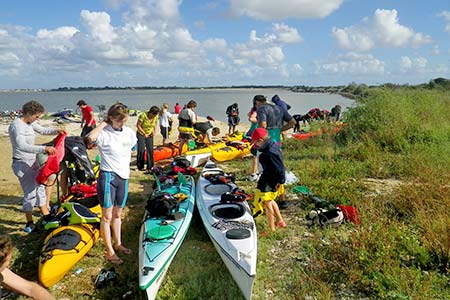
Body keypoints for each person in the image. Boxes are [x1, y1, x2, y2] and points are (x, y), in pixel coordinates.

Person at [87, 102, 137, 265]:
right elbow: (90, 139)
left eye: (124, 120)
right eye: (119, 121)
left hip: (124, 177)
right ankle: (109, 251)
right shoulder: (103, 133)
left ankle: (119, 243)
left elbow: (133, 147)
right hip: (108, 177)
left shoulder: (128, 132)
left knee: (117, 214)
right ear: (111, 118)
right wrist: (104, 123)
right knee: (107, 216)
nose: (123, 123)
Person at [8, 100, 65, 233]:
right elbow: (22, 146)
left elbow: (43, 130)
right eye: (36, 116)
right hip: (21, 163)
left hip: (32, 162)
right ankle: (29, 223)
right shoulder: (17, 126)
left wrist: (56, 131)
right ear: (28, 113)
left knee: (40, 187)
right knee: (30, 193)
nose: (37, 119)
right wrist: (44, 148)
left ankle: (46, 216)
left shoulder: (30, 122)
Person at [253, 95, 295, 208]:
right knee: (278, 167)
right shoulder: (279, 108)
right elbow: (292, 122)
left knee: (266, 171)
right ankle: (282, 199)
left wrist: (259, 136)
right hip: (276, 141)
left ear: (257, 103)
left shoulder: (262, 109)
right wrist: (279, 130)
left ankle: (267, 200)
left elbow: (263, 125)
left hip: (265, 142)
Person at [250, 128, 286, 235]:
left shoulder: (270, 152)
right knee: (270, 200)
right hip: (269, 177)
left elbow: (280, 168)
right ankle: (280, 221)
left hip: (270, 180)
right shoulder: (272, 146)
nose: (255, 145)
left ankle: (271, 229)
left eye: (255, 143)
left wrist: (281, 181)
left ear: (261, 140)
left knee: (267, 203)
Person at [136, 106, 160, 172]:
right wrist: (144, 133)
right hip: (141, 133)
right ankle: (140, 166)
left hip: (149, 133)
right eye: (153, 115)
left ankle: (150, 166)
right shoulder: (143, 116)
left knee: (150, 149)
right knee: (141, 149)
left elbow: (155, 124)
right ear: (151, 113)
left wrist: (154, 131)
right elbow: (138, 125)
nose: (154, 116)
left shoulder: (155, 117)